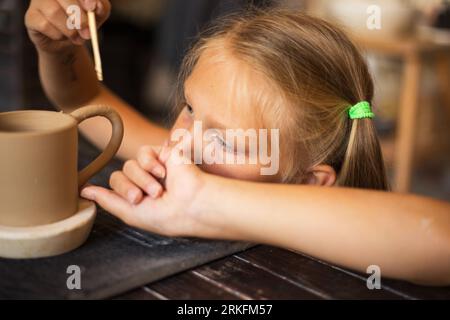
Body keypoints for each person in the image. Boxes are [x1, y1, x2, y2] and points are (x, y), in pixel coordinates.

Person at [25, 0, 450, 285]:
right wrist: (58, 48)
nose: (182, 142)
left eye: (227, 142)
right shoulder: (193, 155)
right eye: (189, 107)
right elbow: (83, 98)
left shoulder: (357, 249)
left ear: (308, 182)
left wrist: (203, 205)